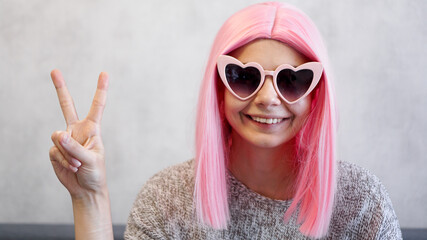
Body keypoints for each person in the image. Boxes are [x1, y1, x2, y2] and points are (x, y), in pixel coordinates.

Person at [49, 2, 402, 239]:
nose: (267, 98)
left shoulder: (362, 205)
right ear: (218, 89)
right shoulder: (166, 200)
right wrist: (89, 198)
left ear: (315, 95)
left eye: (292, 80)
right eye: (244, 76)